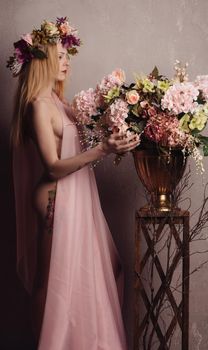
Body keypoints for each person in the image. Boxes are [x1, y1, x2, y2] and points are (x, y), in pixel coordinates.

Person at [7, 17, 139, 349]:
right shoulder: (38, 105)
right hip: (55, 197)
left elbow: (81, 141)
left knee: (108, 266)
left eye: (68, 57)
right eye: (60, 56)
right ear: (43, 60)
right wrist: (102, 149)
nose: (66, 62)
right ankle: (48, 343)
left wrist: (114, 130)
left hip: (74, 193)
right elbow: (52, 165)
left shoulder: (58, 102)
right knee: (52, 282)